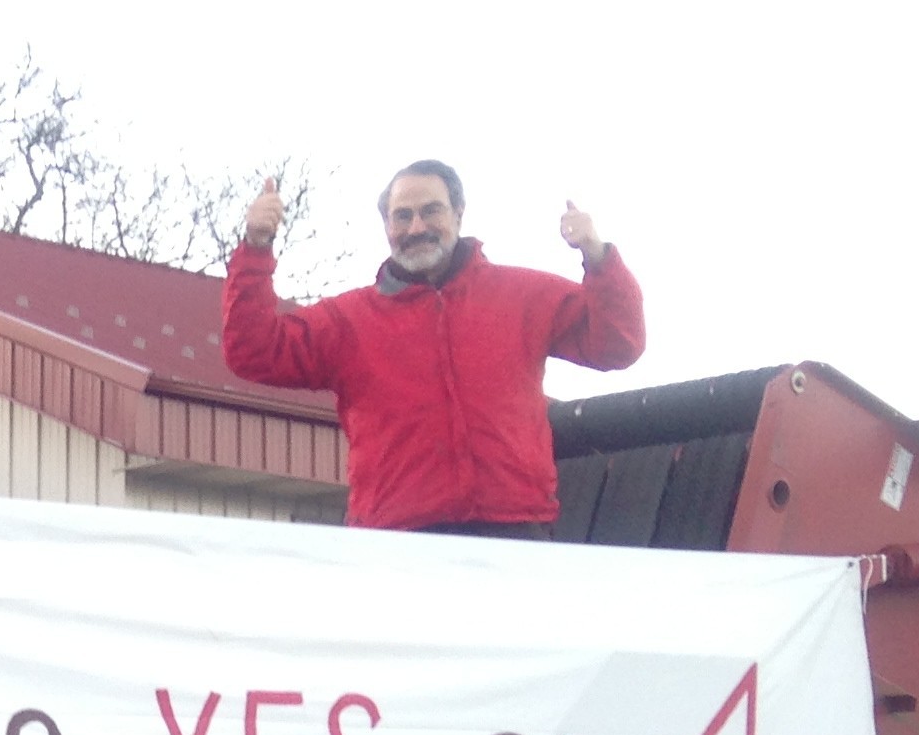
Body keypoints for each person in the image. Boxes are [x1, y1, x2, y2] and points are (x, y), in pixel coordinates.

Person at [221, 160, 645, 538]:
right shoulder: (347, 321)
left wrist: (598, 255)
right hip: (395, 540)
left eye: (431, 211)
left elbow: (618, 343)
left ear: (458, 213)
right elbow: (253, 351)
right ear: (386, 226)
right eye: (402, 216)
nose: (416, 228)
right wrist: (256, 246)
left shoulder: (523, 295)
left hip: (515, 531)